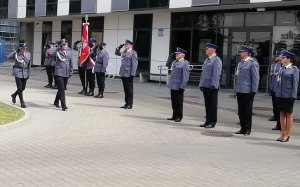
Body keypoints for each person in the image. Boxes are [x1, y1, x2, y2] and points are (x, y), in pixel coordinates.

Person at [275, 50, 299, 142]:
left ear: (289, 59)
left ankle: (287, 135)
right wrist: (277, 93)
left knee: (288, 115)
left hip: (288, 95)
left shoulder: (294, 70)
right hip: (280, 95)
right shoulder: (281, 68)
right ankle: (282, 133)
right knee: (281, 114)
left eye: (284, 57)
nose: (282, 58)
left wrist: (293, 96)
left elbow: (295, 84)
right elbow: (278, 82)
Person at [235, 45, 259, 136]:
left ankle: (247, 129)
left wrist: (254, 91)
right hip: (240, 90)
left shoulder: (253, 63)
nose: (240, 53)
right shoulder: (240, 63)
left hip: (248, 91)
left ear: (247, 53)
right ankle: (242, 127)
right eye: (240, 51)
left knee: (247, 111)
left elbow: (255, 78)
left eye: (242, 51)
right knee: (240, 110)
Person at [199, 43, 222, 128]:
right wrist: (201, 84)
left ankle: (212, 122)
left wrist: (214, 85)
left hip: (212, 86)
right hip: (206, 85)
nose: (205, 50)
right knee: (207, 104)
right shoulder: (207, 60)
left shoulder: (216, 60)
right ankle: (207, 121)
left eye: (207, 49)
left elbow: (216, 74)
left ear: (212, 50)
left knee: (212, 104)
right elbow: (204, 74)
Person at [167, 47, 190, 122]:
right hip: (173, 85)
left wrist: (182, 86)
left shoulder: (185, 63)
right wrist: (170, 57)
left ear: (182, 55)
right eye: (176, 54)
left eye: (178, 54)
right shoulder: (175, 62)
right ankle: (174, 115)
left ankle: (179, 116)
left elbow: (185, 76)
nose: (176, 55)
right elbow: (167, 65)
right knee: (173, 101)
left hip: (179, 86)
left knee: (179, 102)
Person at [115, 39, 138, 109]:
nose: (125, 46)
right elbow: (116, 53)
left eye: (126, 45)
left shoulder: (133, 53)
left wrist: (132, 74)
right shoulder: (124, 52)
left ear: (130, 45)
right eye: (125, 45)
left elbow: (135, 64)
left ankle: (130, 104)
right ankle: (126, 103)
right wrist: (118, 48)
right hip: (123, 73)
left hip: (129, 74)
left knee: (129, 90)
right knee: (125, 89)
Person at [6, 43, 31, 108]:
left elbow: (28, 64)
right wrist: (14, 52)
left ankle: (14, 95)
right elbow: (7, 57)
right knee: (19, 88)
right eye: (23, 48)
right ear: (19, 48)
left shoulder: (28, 54)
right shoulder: (16, 54)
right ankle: (22, 102)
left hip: (25, 72)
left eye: (25, 48)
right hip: (17, 72)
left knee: (23, 88)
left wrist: (29, 74)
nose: (24, 49)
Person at [53, 39, 73, 111]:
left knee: (62, 88)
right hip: (59, 72)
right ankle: (63, 105)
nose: (66, 46)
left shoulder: (69, 53)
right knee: (62, 89)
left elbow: (71, 62)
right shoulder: (57, 52)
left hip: (66, 73)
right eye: (64, 45)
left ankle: (56, 101)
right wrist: (57, 47)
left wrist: (71, 71)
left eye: (67, 45)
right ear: (61, 45)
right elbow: (52, 54)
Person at [268, 51, 282, 130]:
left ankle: (279, 124)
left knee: (279, 106)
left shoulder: (282, 65)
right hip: (273, 87)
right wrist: (270, 86)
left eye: (277, 56)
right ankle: (276, 117)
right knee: (275, 105)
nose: (275, 57)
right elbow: (271, 77)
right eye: (275, 56)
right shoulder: (273, 65)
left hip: (278, 89)